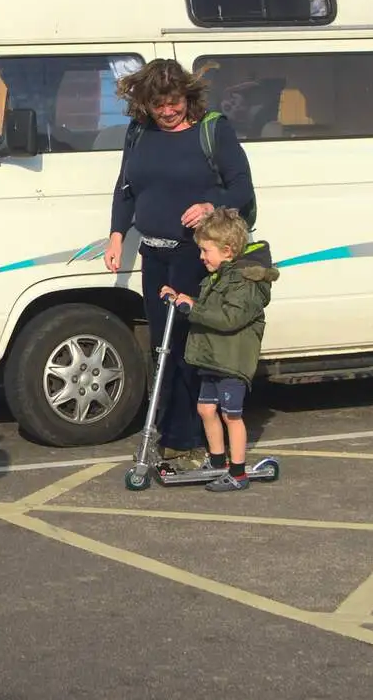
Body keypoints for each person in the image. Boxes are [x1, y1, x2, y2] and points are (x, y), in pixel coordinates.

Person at [104, 58, 253, 470]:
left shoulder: (213, 129)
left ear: (188, 96)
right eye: (158, 106)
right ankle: (169, 435)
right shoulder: (139, 132)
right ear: (144, 105)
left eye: (174, 103)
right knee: (162, 346)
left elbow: (242, 186)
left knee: (190, 347)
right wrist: (117, 234)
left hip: (197, 254)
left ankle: (190, 440)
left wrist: (210, 206)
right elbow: (126, 188)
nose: (167, 112)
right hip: (154, 252)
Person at [161, 208, 279, 493]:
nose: (201, 257)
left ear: (227, 251)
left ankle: (237, 472)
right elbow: (207, 308)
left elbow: (229, 319)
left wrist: (193, 308)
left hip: (231, 362)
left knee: (231, 415)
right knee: (205, 409)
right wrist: (181, 299)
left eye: (205, 251)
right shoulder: (218, 278)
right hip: (214, 359)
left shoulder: (244, 283)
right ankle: (217, 462)